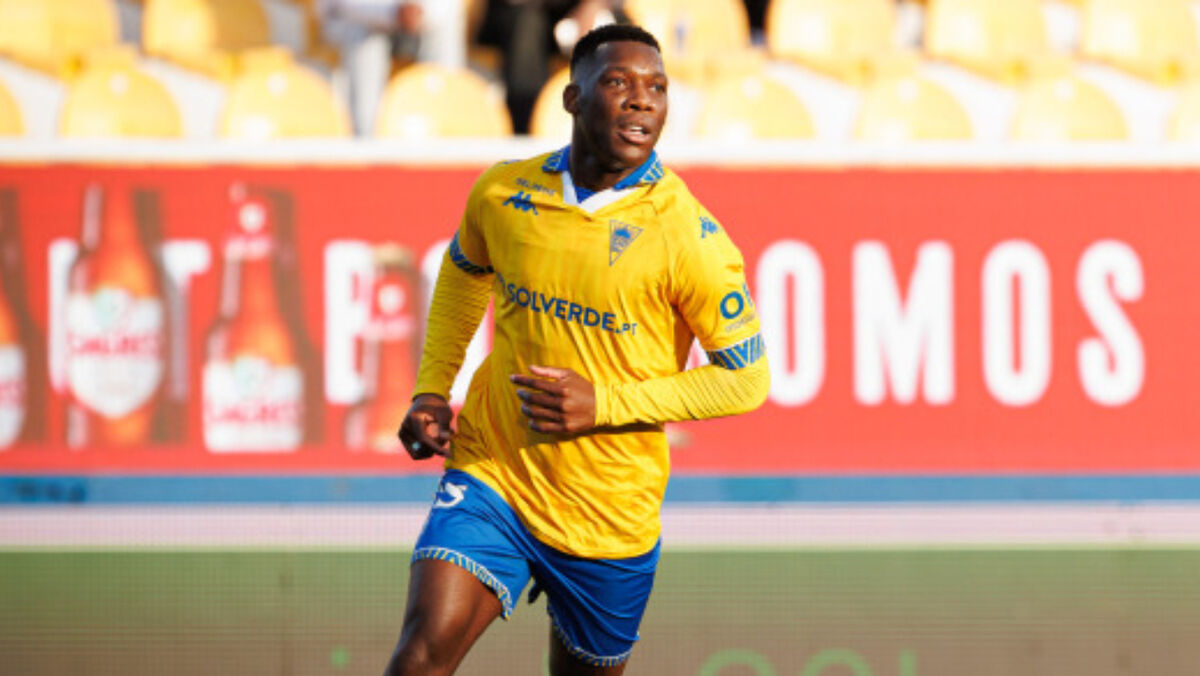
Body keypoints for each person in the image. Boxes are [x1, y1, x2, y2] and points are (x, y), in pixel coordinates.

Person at [387, 23, 770, 675]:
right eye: (618, 82)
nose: (642, 99)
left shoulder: (689, 235)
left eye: (656, 88)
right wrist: (431, 388)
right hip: (495, 472)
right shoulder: (503, 192)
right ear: (572, 99)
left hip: (608, 512)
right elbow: (464, 271)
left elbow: (746, 379)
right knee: (420, 657)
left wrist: (605, 404)